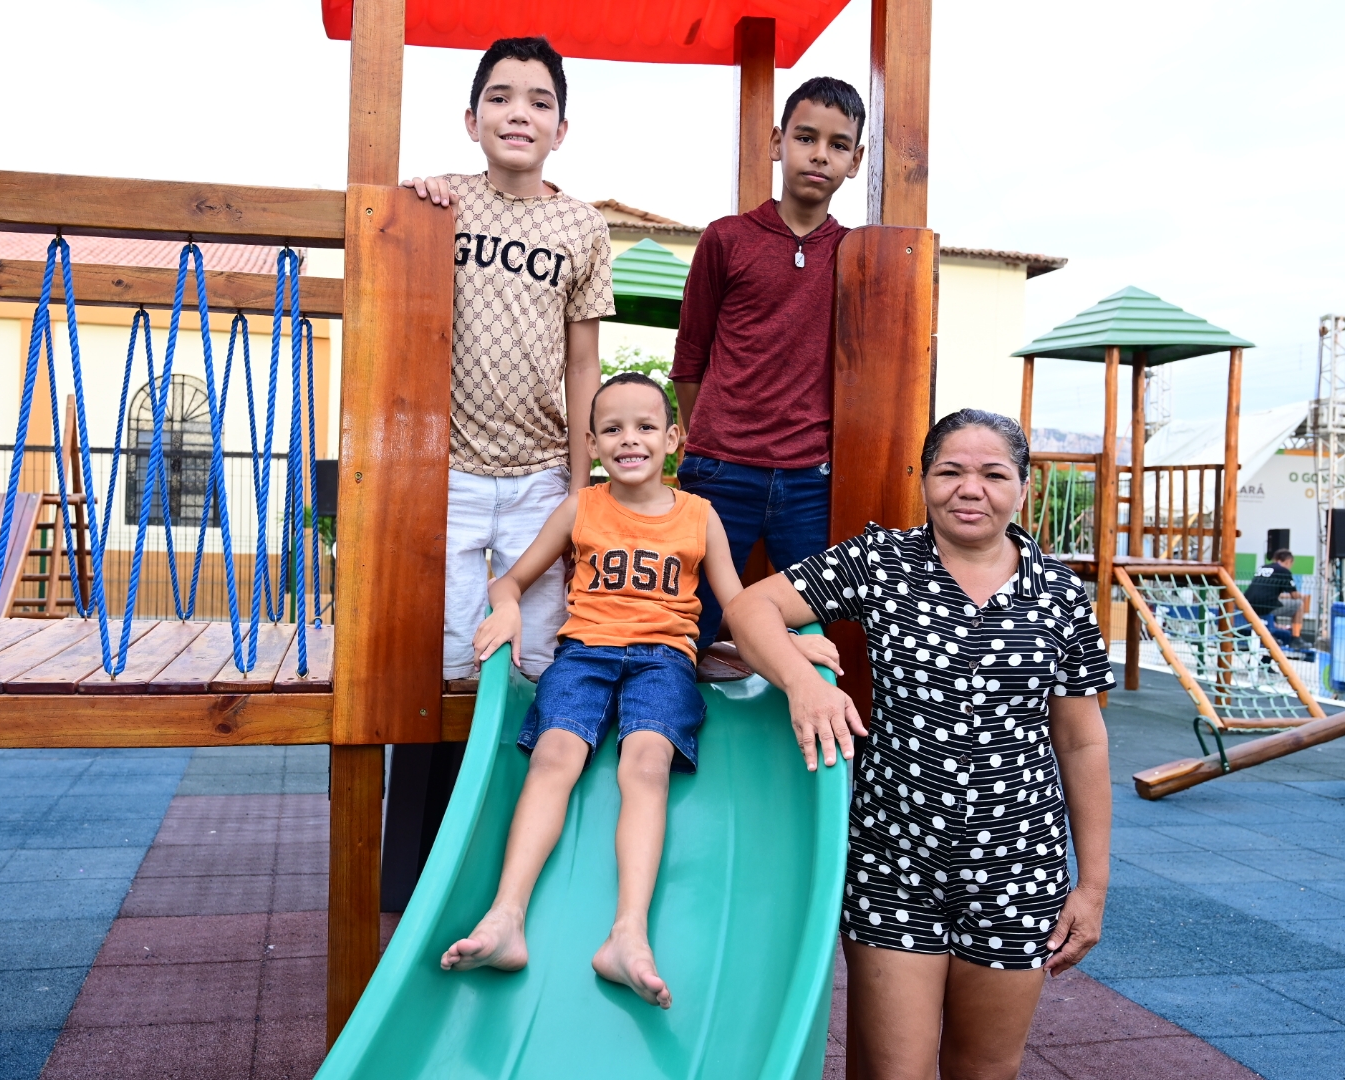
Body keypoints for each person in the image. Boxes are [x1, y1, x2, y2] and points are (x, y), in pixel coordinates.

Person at [725, 409, 1114, 1080]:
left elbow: (1080, 742)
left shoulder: (1057, 595)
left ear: (1021, 485)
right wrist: (800, 682)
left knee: (983, 1070)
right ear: (923, 480)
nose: (970, 489)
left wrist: (1094, 886)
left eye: (993, 474)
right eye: (950, 472)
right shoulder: (881, 562)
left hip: (1017, 869)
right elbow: (749, 607)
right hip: (893, 862)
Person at [438, 372, 840, 1008]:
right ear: (593, 443)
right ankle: (506, 917)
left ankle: (628, 935)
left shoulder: (700, 516)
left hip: (665, 662)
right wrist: (507, 606)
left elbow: (737, 605)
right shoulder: (580, 507)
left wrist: (787, 647)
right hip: (584, 655)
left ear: (673, 439)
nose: (631, 440)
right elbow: (510, 582)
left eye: (646, 426)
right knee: (554, 758)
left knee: (646, 765)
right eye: (613, 429)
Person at [402, 36, 613, 690]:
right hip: (453, 470)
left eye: (538, 102)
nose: (519, 113)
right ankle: (450, 791)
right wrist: (410, 195)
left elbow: (583, 365)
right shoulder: (441, 205)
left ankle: (528, 788)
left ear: (561, 129)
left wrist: (580, 483)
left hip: (540, 474)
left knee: (539, 653)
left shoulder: (583, 228)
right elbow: (388, 254)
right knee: (454, 658)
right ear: (472, 121)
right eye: (500, 98)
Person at [670, 76, 866, 648]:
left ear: (855, 161)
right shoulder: (726, 239)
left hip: (812, 476)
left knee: (817, 628)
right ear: (778, 141)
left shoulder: (856, 254)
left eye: (837, 145)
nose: (819, 154)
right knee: (692, 620)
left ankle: (806, 735)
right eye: (806, 137)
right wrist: (707, 438)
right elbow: (690, 358)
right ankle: (678, 731)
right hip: (719, 470)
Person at [1244, 549, 1303, 647]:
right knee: (1299, 605)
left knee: (1276, 602)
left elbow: (1266, 591)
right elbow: (1294, 595)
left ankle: (1271, 634)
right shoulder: (1283, 571)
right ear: (1288, 561)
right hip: (1265, 606)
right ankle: (1295, 638)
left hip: (1248, 604)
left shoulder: (1263, 568)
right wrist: (1301, 595)